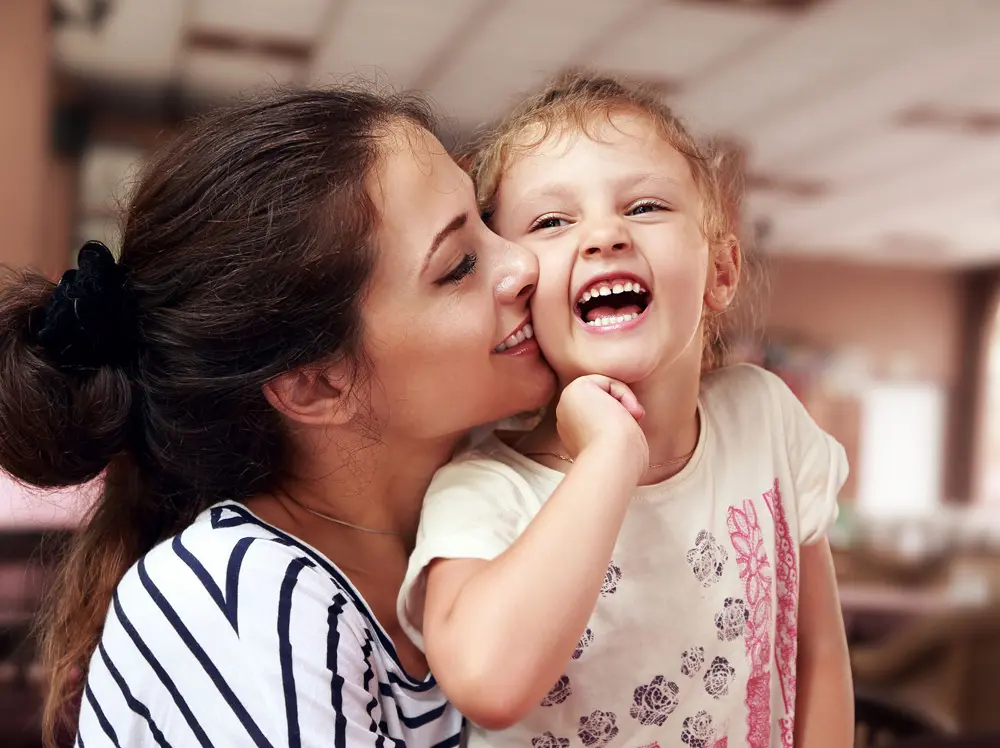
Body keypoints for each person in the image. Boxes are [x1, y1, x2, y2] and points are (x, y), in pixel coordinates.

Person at [0, 86, 554, 747]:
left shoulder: (500, 528)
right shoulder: (242, 602)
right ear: (315, 384)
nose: (525, 264)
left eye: (488, 218)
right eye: (459, 265)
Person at [398, 72, 854, 748]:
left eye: (644, 207)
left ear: (721, 272)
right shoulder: (482, 489)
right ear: (522, 289)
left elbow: (815, 653)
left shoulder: (768, 421)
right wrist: (610, 454)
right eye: (552, 221)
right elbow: (489, 684)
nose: (604, 235)